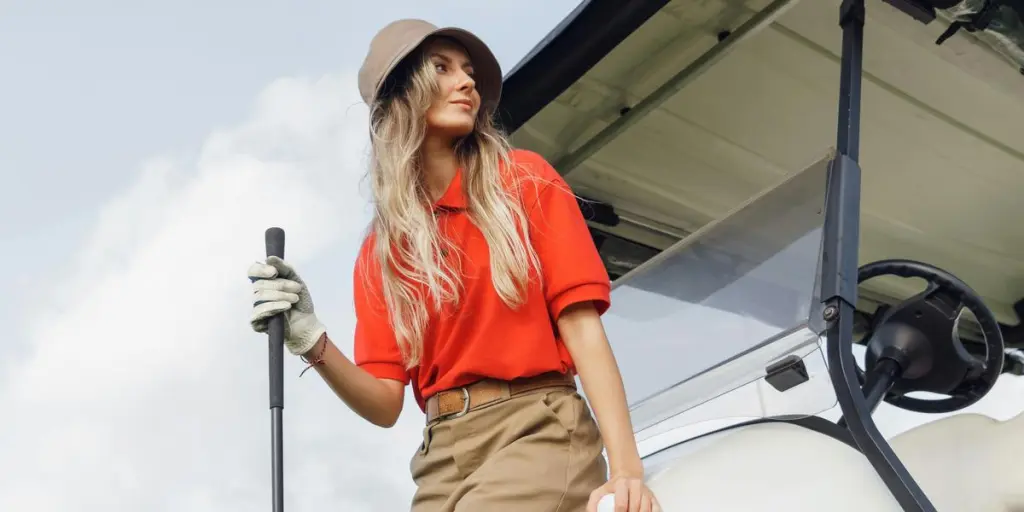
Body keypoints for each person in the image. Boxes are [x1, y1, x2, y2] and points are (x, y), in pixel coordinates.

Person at [248, 18, 661, 512]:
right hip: (439, 455)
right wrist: (310, 339)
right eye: (441, 68)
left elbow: (583, 330)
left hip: (536, 428)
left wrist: (627, 469)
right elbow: (384, 403)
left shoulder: (525, 180)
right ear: (402, 95)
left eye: (467, 71)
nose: (466, 81)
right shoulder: (381, 252)